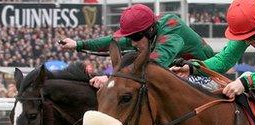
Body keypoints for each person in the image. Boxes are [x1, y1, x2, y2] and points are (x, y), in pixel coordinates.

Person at [59, 4, 215, 89]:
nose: (132, 42)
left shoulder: (170, 36)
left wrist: (109, 79)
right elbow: (112, 40)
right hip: (180, 71)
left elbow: (151, 67)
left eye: (134, 37)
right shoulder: (144, 32)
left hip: (207, 77)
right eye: (129, 37)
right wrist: (77, 45)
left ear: (151, 30)